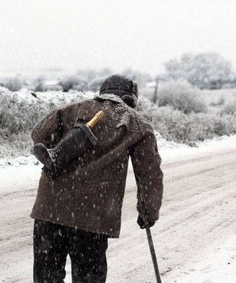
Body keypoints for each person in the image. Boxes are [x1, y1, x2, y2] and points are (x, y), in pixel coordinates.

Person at [30, 74, 164, 282]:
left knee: (47, 277)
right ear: (131, 98)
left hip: (50, 210)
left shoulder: (73, 109)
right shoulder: (137, 125)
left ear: (103, 92)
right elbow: (149, 173)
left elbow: (38, 135)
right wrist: (148, 211)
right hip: (93, 218)